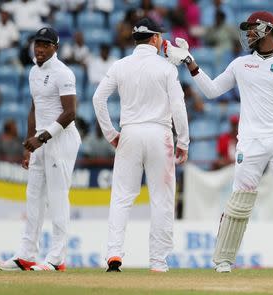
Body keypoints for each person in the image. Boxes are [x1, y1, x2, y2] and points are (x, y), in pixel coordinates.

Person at [165, 11, 273, 273]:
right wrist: (190, 61)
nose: (248, 34)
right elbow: (212, 91)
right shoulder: (240, 65)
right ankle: (224, 260)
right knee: (240, 200)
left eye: (253, 29)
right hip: (251, 141)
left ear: (269, 29)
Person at [92, 17, 189, 272]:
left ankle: (114, 254)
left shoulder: (120, 65)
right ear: (155, 38)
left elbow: (97, 99)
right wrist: (184, 141)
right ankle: (158, 261)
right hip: (160, 133)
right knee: (162, 199)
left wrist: (111, 133)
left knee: (122, 196)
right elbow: (178, 107)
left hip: (130, 133)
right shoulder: (166, 68)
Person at [0, 27, 81, 271]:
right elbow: (35, 109)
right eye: (37, 44)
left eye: (45, 45)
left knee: (57, 197)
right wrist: (29, 145)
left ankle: (57, 258)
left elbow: (70, 112)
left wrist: (42, 138)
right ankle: (26, 254)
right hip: (40, 142)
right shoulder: (34, 71)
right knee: (33, 197)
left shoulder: (63, 73)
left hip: (60, 140)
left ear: (55, 47)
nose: (40, 49)